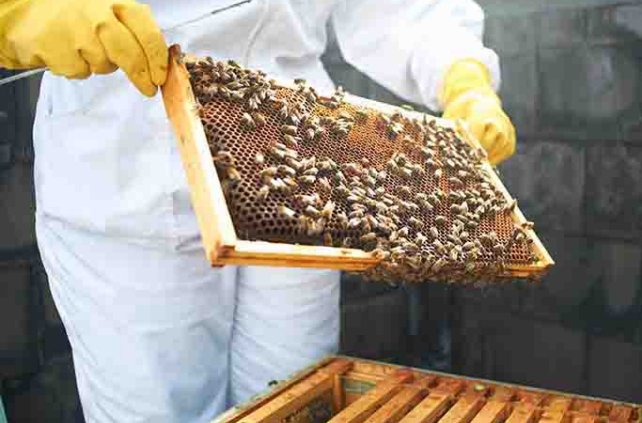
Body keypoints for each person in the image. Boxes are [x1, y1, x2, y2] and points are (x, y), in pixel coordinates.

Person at [0, 0, 516, 421]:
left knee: (295, 403)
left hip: (293, 156)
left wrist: (459, 70)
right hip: (125, 155)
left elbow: (393, 9)